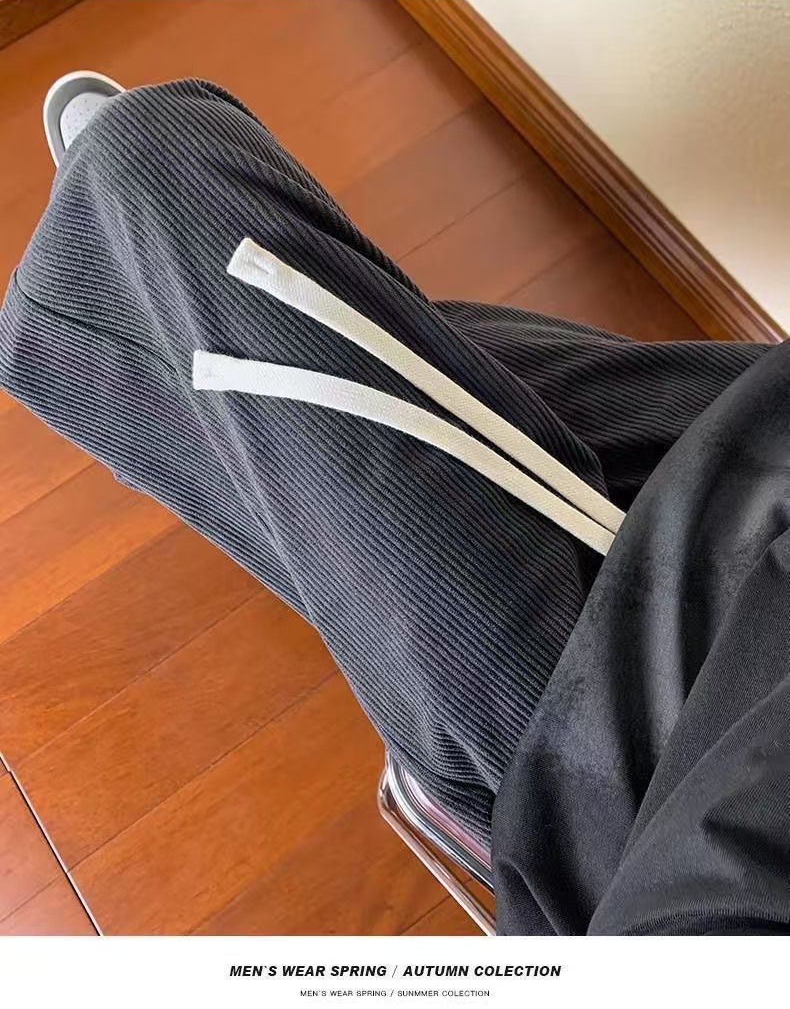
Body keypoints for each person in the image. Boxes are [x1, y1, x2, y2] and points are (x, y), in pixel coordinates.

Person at [1, 74, 784, 934]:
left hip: (629, 762)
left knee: (154, 168)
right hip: (760, 458)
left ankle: (119, 306)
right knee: (409, 357)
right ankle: (139, 322)